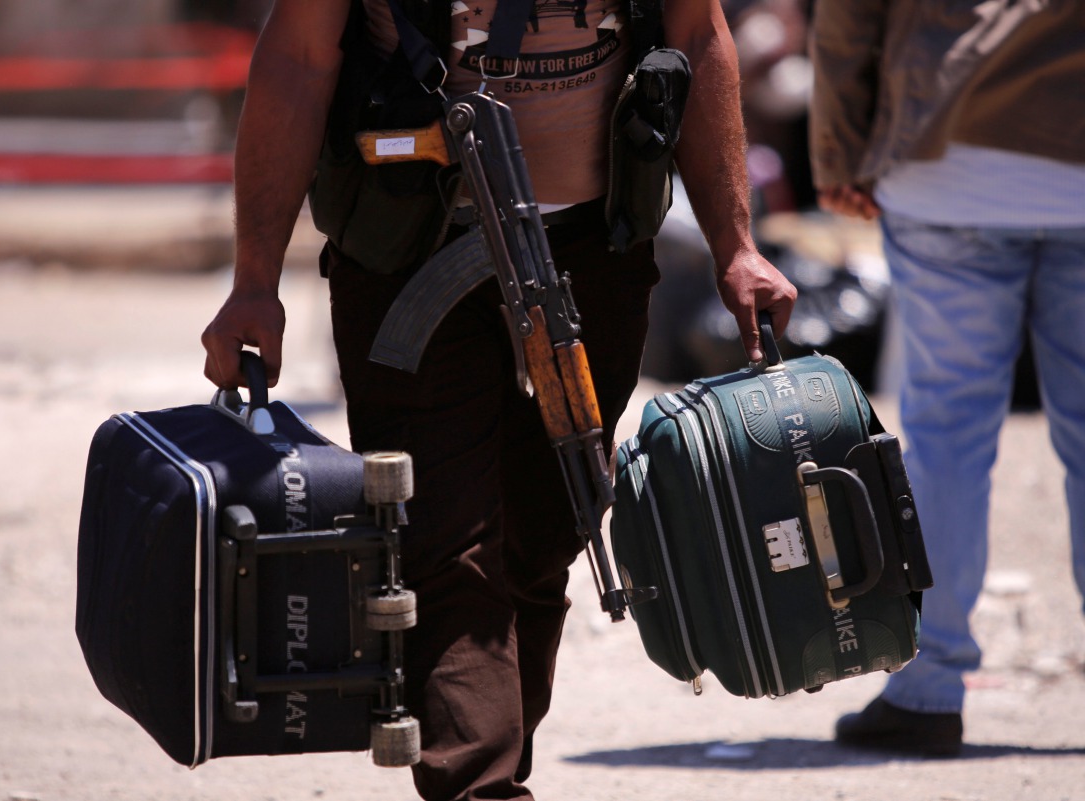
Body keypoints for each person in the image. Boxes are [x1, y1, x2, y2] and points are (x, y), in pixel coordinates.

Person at [202, 1, 796, 798]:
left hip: (596, 246)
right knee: (444, 542)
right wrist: (253, 281)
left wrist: (737, 246)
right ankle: (481, 784)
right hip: (410, 245)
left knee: (545, 534)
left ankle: (495, 761)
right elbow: (298, 59)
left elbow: (697, 35)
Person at [808, 0, 1085, 757]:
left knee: (946, 439)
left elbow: (846, 18)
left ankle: (929, 688)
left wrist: (838, 151)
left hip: (946, 156)